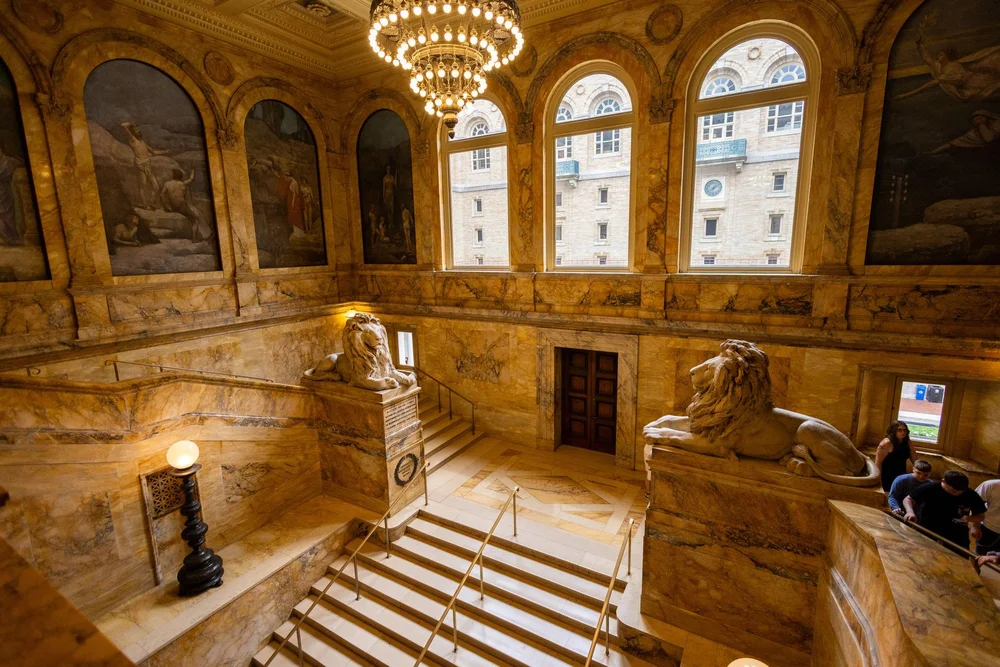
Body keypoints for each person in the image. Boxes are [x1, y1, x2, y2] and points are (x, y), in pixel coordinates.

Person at [903, 470, 986, 546]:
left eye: (961, 492)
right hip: (928, 529)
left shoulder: (971, 494)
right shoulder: (930, 488)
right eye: (953, 491)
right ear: (943, 482)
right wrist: (910, 511)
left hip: (957, 535)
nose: (957, 494)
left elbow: (981, 516)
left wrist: (969, 519)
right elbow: (908, 499)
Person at [121, 122, 170, 209]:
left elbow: (154, 152)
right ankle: (144, 205)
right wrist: (132, 123)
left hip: (147, 165)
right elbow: (123, 125)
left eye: (138, 129)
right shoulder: (133, 140)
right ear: (132, 132)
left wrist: (165, 152)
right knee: (142, 185)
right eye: (136, 129)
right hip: (140, 165)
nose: (138, 131)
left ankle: (151, 202)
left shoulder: (143, 142)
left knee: (156, 187)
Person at [159, 168, 211, 242]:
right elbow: (191, 178)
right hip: (182, 207)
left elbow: (161, 195)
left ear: (173, 176)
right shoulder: (183, 184)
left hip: (173, 207)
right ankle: (194, 238)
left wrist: (166, 206)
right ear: (180, 177)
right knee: (195, 221)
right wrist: (193, 170)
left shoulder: (167, 184)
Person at [876, 420, 916, 492]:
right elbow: (878, 463)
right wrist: (879, 480)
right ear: (894, 431)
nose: (903, 432)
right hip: (887, 475)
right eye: (899, 430)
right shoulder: (886, 443)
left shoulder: (907, 441)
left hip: (901, 474)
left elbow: (914, 457)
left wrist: (921, 469)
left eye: (904, 430)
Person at [0, 145, 25, 244]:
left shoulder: (8, 161)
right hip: (3, 190)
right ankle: (9, 237)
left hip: (5, 191)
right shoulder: (8, 161)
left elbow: (18, 163)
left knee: (8, 214)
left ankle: (12, 237)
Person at [975, 478, 1000, 556]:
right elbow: (975, 506)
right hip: (988, 529)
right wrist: (974, 526)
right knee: (978, 556)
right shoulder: (991, 485)